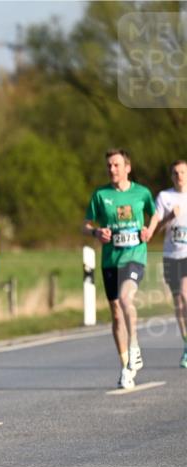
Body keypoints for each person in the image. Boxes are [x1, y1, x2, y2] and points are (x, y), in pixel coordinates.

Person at [82, 149, 156, 389]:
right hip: (110, 259)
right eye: (109, 166)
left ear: (127, 167)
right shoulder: (101, 195)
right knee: (115, 312)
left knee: (126, 299)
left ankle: (134, 345)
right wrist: (96, 232)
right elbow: (86, 224)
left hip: (134, 256)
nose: (111, 169)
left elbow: (155, 216)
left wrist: (149, 231)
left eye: (116, 165)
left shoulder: (141, 193)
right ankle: (126, 366)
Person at [144, 159, 187, 368]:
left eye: (183, 172)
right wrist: (170, 216)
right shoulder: (164, 197)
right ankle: (186, 344)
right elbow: (156, 228)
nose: (179, 176)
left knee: (186, 295)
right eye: (175, 173)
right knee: (178, 302)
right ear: (171, 176)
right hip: (171, 254)